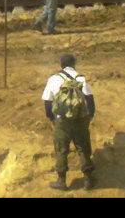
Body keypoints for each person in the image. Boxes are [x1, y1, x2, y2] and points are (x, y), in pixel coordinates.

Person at [42, 54, 96, 190]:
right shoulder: (81, 78)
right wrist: (89, 117)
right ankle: (88, 180)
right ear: (74, 64)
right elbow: (90, 100)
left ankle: (61, 181)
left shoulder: (54, 79)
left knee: (61, 149)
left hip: (62, 120)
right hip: (80, 119)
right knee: (83, 147)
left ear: (61, 65)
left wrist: (51, 118)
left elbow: (47, 101)